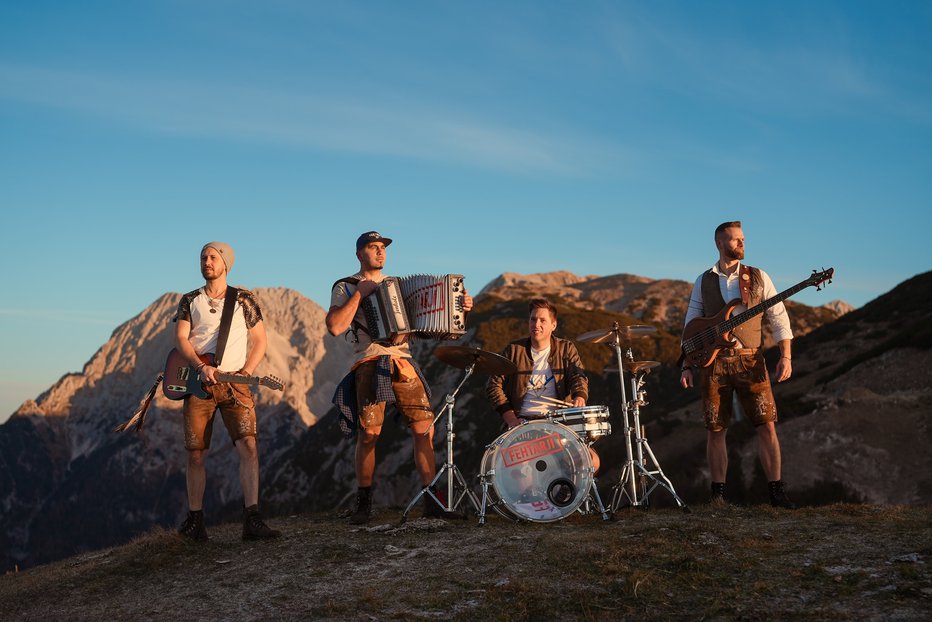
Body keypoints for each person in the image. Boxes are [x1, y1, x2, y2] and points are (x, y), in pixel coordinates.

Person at [327, 231, 473, 524]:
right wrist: (360, 294)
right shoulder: (346, 286)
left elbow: (435, 327)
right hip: (369, 360)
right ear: (359, 254)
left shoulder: (400, 288)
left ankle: (432, 500)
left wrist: (461, 307)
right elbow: (334, 326)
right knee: (369, 434)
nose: (380, 252)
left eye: (382, 248)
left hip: (403, 361)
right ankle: (364, 501)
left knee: (424, 429)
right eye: (373, 247)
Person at [679, 221, 796, 508]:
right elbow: (691, 324)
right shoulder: (703, 280)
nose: (742, 244)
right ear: (720, 244)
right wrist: (685, 364)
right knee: (716, 430)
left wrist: (786, 356)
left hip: (751, 361)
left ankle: (776, 493)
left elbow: (778, 317)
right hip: (713, 364)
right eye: (735, 240)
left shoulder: (758, 277)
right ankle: (718, 495)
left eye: (743, 239)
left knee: (766, 425)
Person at [174, 242, 281, 540]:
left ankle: (253, 519)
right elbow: (181, 339)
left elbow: (260, 340)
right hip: (199, 384)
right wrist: (199, 367)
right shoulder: (189, 300)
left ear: (226, 264)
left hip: (236, 385)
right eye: (203, 258)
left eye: (212, 257)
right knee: (196, 454)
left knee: (248, 446)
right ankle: (196, 522)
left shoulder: (244, 300)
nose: (207, 262)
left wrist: (246, 373)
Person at [486, 298, 600, 473]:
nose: (536, 324)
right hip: (523, 424)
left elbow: (579, 376)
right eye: (533, 319)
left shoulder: (566, 348)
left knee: (591, 462)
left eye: (542, 320)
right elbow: (494, 386)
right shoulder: (514, 350)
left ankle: (564, 495)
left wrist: (580, 396)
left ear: (553, 325)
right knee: (524, 472)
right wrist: (511, 420)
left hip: (557, 424)